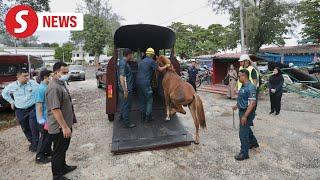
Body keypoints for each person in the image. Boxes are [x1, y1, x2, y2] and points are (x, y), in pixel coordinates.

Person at [46, 62, 76, 180]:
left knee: (63, 148)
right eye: (64, 73)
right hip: (59, 127)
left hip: (65, 124)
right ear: (55, 73)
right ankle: (57, 175)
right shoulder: (54, 87)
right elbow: (55, 110)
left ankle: (63, 167)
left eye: (67, 72)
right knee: (58, 151)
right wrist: (64, 127)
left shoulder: (61, 83)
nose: (66, 74)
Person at [1, 69, 40, 152]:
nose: (27, 77)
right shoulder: (12, 86)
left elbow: (40, 90)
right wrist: (12, 102)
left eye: (28, 75)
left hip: (32, 108)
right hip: (20, 110)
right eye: (24, 76)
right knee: (25, 128)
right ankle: (33, 143)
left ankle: (37, 146)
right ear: (18, 77)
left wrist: (38, 101)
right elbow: (4, 93)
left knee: (34, 127)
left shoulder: (32, 83)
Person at [232, 69, 259, 161]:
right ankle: (253, 144)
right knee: (247, 129)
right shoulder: (244, 86)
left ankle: (244, 153)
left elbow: (252, 103)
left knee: (243, 133)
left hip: (246, 112)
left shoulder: (251, 87)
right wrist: (236, 106)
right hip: (242, 111)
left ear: (244, 76)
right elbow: (243, 99)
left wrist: (245, 116)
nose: (238, 78)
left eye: (239, 76)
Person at [136, 47, 170, 122]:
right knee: (149, 100)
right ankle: (148, 117)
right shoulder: (151, 61)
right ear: (152, 55)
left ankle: (142, 117)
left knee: (142, 100)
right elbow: (160, 69)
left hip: (138, 83)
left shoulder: (142, 61)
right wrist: (166, 65)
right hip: (145, 83)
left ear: (146, 54)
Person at [35, 69, 53, 164]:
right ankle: (39, 156)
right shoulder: (41, 88)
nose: (52, 77)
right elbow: (39, 104)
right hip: (45, 118)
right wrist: (40, 118)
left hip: (49, 117)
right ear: (46, 77)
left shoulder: (46, 86)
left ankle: (48, 152)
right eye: (51, 76)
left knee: (49, 136)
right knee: (45, 137)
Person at [117, 48, 136, 128]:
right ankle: (127, 123)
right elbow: (122, 77)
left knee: (123, 104)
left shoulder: (123, 62)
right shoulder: (123, 64)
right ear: (129, 54)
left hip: (125, 88)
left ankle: (121, 117)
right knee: (127, 106)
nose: (132, 55)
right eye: (132, 54)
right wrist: (125, 90)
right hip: (126, 89)